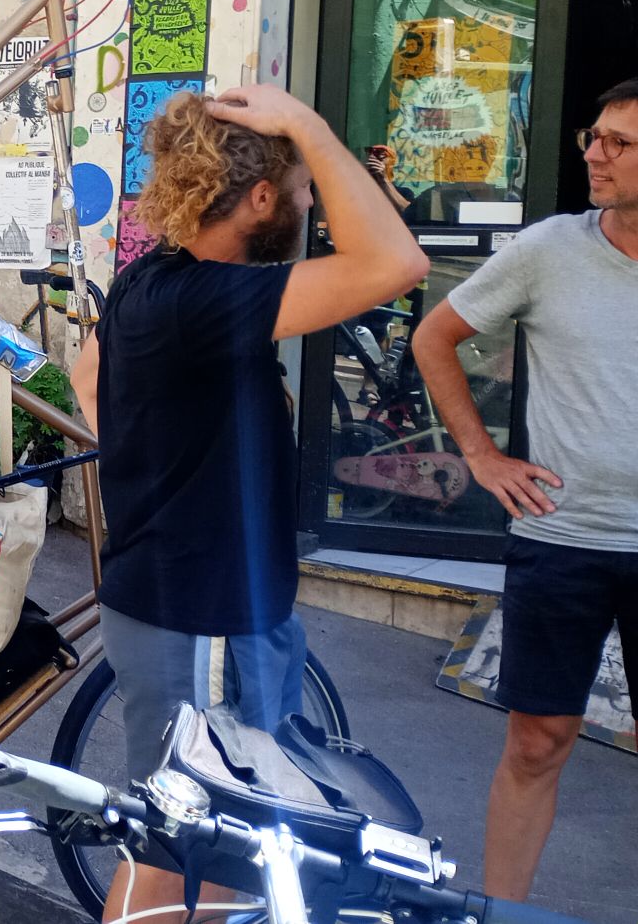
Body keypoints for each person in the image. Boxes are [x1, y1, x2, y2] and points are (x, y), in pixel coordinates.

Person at [72, 86, 428, 922]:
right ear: (262, 196)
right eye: (304, 187)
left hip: (195, 606)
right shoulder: (200, 302)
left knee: (198, 845)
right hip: (203, 620)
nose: (311, 203)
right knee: (189, 856)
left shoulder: (159, 280)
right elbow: (396, 263)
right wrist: (309, 125)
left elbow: (89, 376)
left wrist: (161, 470)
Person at [410, 77, 638, 903]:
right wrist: (481, 455)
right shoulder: (550, 250)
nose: (594, 154)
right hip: (562, 535)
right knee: (538, 741)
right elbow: (435, 337)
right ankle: (502, 915)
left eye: (619, 143)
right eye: (592, 137)